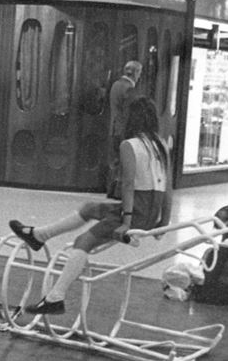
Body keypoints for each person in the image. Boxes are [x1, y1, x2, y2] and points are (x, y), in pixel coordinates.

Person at [10, 96, 172, 314]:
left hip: (136, 212)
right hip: (150, 212)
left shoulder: (130, 145)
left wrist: (126, 222)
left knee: (82, 242)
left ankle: (55, 297)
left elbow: (129, 185)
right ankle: (39, 235)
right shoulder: (160, 144)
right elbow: (168, 186)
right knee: (89, 208)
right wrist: (164, 220)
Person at [106, 59, 142, 197]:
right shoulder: (129, 89)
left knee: (114, 160)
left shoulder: (116, 85)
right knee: (124, 161)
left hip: (114, 128)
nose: (139, 76)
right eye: (139, 72)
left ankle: (111, 189)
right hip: (124, 130)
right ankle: (119, 192)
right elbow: (129, 112)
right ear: (135, 72)